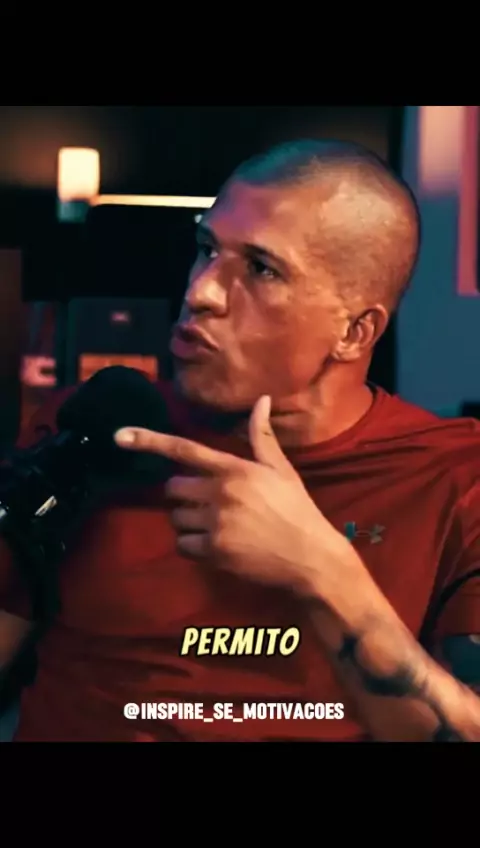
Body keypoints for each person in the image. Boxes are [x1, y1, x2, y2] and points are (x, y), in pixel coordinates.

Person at [1, 139, 480, 741]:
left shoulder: (456, 477)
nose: (199, 292)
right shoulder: (98, 425)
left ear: (355, 333)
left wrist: (322, 570)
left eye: (261, 269)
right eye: (206, 249)